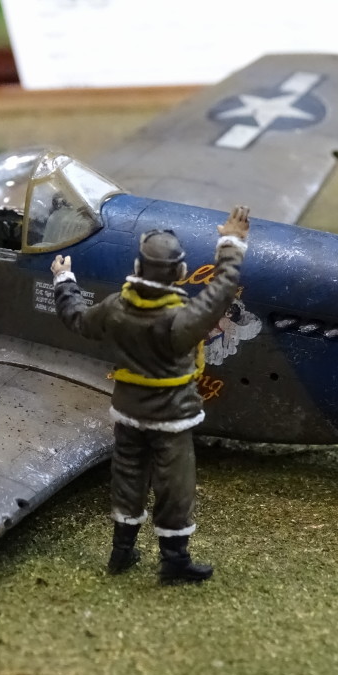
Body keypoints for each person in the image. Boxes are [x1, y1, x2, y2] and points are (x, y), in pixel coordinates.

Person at [49, 206, 249, 584]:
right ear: (180, 272)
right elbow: (222, 290)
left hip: (129, 411)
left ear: (138, 269)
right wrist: (231, 243)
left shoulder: (114, 308)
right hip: (172, 417)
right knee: (175, 485)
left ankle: (121, 551)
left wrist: (64, 279)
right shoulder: (183, 319)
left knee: (127, 476)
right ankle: (174, 561)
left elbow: (77, 317)